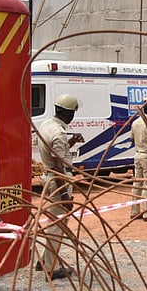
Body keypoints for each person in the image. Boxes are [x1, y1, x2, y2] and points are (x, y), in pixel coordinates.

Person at [37, 94, 85, 280]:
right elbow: (58, 164)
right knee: (58, 225)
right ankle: (51, 267)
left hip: (49, 178)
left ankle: (44, 261)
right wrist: (65, 194)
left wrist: (71, 141)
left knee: (51, 221)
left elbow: (57, 153)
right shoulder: (58, 133)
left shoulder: (47, 125)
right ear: (68, 114)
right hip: (58, 179)